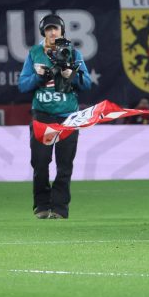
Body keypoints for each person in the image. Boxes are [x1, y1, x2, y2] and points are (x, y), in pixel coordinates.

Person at [17, 14, 92, 219]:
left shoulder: (73, 53)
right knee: (40, 162)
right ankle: (41, 206)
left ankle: (59, 208)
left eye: (55, 29)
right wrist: (37, 76)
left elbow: (87, 84)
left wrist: (72, 76)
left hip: (68, 116)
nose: (52, 32)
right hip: (42, 115)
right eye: (48, 29)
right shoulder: (34, 53)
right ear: (43, 32)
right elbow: (22, 86)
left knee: (64, 164)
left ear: (62, 31)